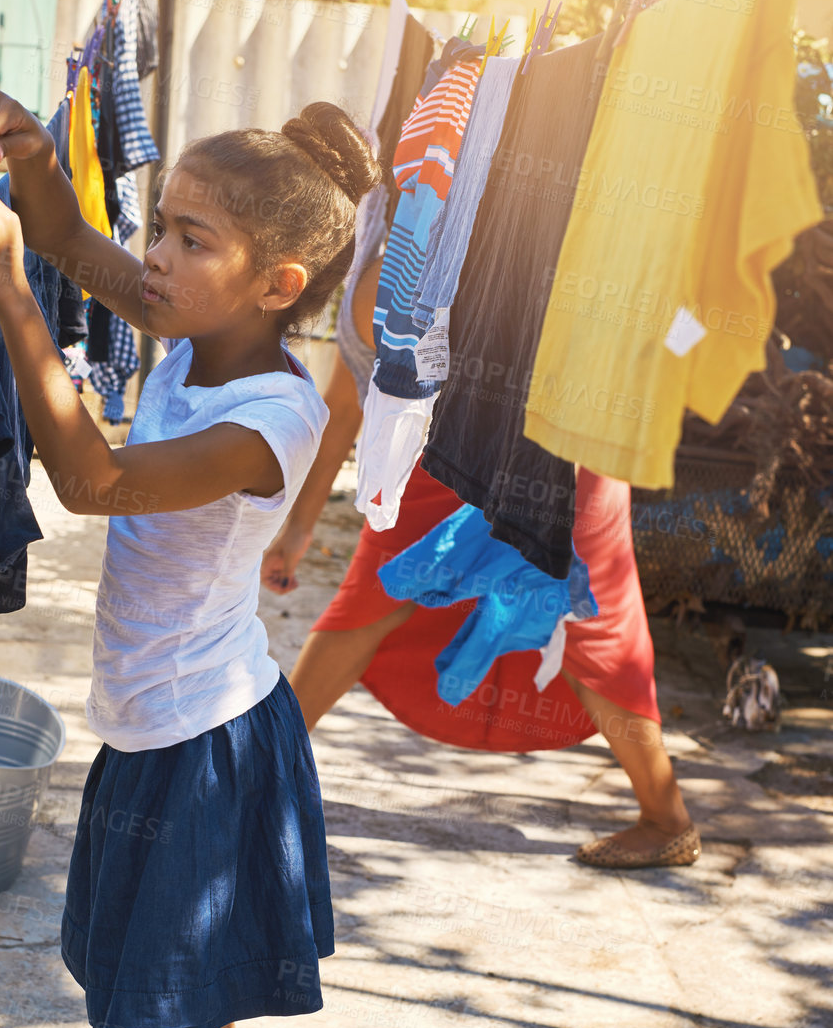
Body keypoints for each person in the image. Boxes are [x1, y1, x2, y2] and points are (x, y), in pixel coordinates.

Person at [0, 91, 380, 1028]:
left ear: (276, 282)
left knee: (179, 1023)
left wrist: (11, 300)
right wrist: (36, 167)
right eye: (164, 224)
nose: (155, 256)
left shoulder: (270, 421)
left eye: (192, 238)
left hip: (204, 746)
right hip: (164, 724)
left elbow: (93, 480)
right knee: (190, 1024)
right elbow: (83, 245)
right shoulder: (197, 334)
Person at [263, 254, 700, 870]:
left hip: (563, 446)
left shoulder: (533, 214)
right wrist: (299, 526)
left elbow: (674, 312)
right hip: (451, 452)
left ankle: (666, 818)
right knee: (377, 596)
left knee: (585, 621)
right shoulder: (390, 247)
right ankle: (256, 776)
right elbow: (348, 398)